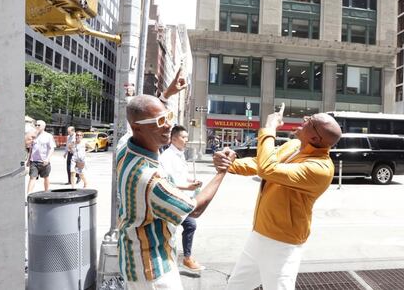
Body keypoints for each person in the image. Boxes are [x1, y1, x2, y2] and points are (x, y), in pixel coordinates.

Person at [117, 69, 232, 290]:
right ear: (138, 128)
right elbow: (194, 210)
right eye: (160, 121)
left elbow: (143, 116)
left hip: (134, 260)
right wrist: (221, 171)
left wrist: (166, 95)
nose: (169, 126)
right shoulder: (150, 177)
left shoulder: (125, 146)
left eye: (168, 117)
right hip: (153, 271)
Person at [216, 107, 342, 290]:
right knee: (235, 286)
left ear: (315, 139)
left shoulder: (320, 168)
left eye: (310, 121)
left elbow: (267, 169)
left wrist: (269, 129)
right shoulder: (293, 145)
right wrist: (230, 164)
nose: (304, 119)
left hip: (283, 245)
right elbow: (260, 162)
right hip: (259, 233)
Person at [158, 125, 205, 274]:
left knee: (183, 227)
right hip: (172, 200)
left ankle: (181, 258)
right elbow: (166, 182)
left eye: (186, 137)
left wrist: (192, 181)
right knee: (188, 225)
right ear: (173, 138)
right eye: (183, 137)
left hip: (183, 198)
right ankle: (183, 258)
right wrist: (188, 187)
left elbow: (182, 176)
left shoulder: (180, 154)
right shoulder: (167, 157)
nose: (186, 140)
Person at [27, 120, 56, 193]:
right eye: (36, 125)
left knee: (46, 177)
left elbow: (52, 148)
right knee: (32, 177)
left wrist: (47, 159)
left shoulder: (48, 136)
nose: (37, 126)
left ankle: (46, 192)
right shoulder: (33, 136)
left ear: (43, 126)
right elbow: (31, 148)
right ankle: (28, 194)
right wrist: (28, 160)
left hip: (44, 162)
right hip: (34, 161)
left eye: (38, 125)